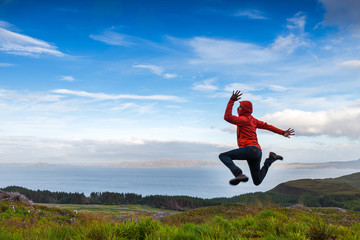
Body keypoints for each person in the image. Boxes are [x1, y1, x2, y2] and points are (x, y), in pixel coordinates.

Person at [219, 90, 295, 186]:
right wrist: (282, 132)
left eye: (240, 107)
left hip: (250, 150)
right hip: (257, 152)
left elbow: (227, 117)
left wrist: (231, 100)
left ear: (243, 109)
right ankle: (270, 160)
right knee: (257, 181)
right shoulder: (253, 120)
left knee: (223, 156)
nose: (238, 108)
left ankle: (238, 174)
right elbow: (268, 126)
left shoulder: (243, 120)